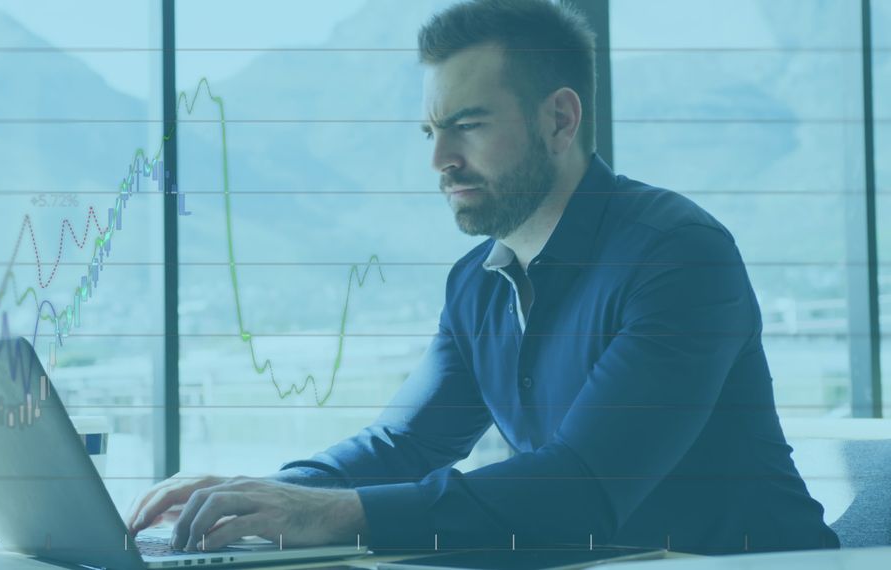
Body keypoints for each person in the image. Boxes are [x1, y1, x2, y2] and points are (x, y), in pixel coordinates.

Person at [127, 0, 840, 555]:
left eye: (466, 125)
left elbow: (585, 484)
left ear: (559, 120)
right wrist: (270, 490)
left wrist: (333, 514)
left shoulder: (678, 255)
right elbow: (404, 445)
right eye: (430, 132)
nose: (439, 160)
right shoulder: (476, 283)